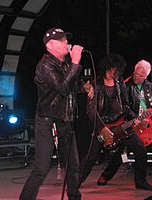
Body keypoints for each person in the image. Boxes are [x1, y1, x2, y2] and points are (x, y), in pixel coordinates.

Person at [19, 27, 93, 200]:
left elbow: (70, 86)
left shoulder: (65, 64)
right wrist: (76, 63)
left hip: (65, 121)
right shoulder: (45, 65)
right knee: (41, 169)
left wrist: (84, 88)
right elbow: (62, 88)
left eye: (66, 39)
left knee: (73, 166)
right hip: (47, 120)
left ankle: (74, 197)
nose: (66, 42)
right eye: (62, 40)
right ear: (50, 46)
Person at [79, 53, 152, 191]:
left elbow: (125, 106)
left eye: (117, 70)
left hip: (122, 124)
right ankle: (75, 182)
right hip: (103, 126)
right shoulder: (96, 85)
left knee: (141, 150)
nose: (114, 73)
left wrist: (136, 118)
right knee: (91, 157)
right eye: (111, 69)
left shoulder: (120, 82)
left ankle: (141, 181)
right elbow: (91, 111)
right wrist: (101, 127)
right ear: (106, 68)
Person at [97, 59, 152, 186]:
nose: (138, 77)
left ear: (146, 76)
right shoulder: (125, 85)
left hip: (148, 122)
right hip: (131, 122)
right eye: (137, 74)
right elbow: (124, 108)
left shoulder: (149, 86)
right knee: (123, 149)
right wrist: (137, 120)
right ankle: (106, 175)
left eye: (142, 76)